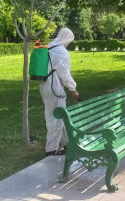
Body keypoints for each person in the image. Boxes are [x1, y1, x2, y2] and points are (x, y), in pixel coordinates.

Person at [39, 28, 80, 156]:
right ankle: (51, 148)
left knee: (59, 116)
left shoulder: (49, 47)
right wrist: (73, 89)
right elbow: (65, 75)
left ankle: (65, 143)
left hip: (44, 85)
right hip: (54, 87)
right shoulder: (61, 52)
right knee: (55, 118)